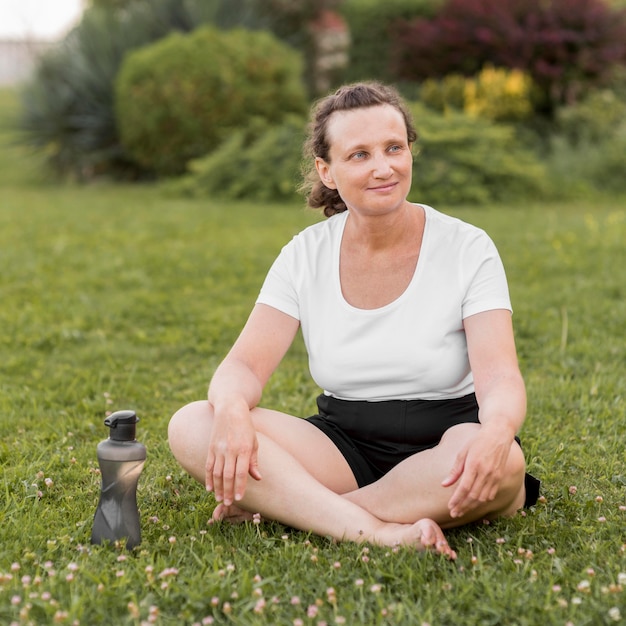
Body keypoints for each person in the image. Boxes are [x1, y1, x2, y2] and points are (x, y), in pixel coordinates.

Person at [168, 82, 540, 560]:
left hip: (448, 447)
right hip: (342, 449)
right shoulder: (305, 253)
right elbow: (242, 367)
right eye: (359, 155)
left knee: (505, 461)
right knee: (194, 423)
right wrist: (233, 411)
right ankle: (378, 529)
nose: (383, 168)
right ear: (327, 170)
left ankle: (307, 512)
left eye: (394, 148)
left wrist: (495, 433)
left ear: (410, 152)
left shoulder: (468, 247)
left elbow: (500, 377)